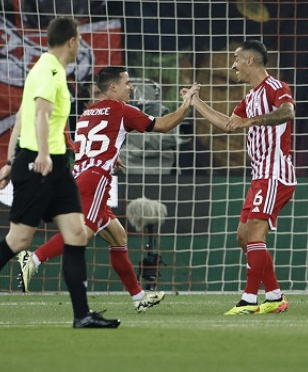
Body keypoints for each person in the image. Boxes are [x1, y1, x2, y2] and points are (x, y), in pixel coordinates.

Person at [0, 17, 120, 329]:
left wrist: (8, 160)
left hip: (55, 165)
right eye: (80, 37)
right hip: (39, 163)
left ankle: (82, 315)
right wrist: (38, 154)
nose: (81, 42)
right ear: (72, 40)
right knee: (18, 240)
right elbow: (40, 113)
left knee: (76, 234)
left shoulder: (46, 68)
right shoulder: (49, 70)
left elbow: (20, 117)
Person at [14, 66, 197, 313]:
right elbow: (164, 125)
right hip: (96, 180)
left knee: (118, 236)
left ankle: (139, 297)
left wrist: (112, 156)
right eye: (127, 83)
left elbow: (85, 147)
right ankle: (33, 259)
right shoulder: (121, 110)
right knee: (82, 233)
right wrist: (186, 103)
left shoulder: (88, 113)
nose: (131, 87)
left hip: (80, 176)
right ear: (113, 87)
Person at [189, 39, 295, 315]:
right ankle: (274, 295)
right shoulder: (250, 97)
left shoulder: (275, 87)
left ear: (250, 61)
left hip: (275, 172)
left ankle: (249, 300)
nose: (233, 65)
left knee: (255, 233)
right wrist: (195, 102)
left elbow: (288, 112)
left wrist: (253, 121)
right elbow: (227, 124)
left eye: (236, 59)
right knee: (243, 237)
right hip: (260, 175)